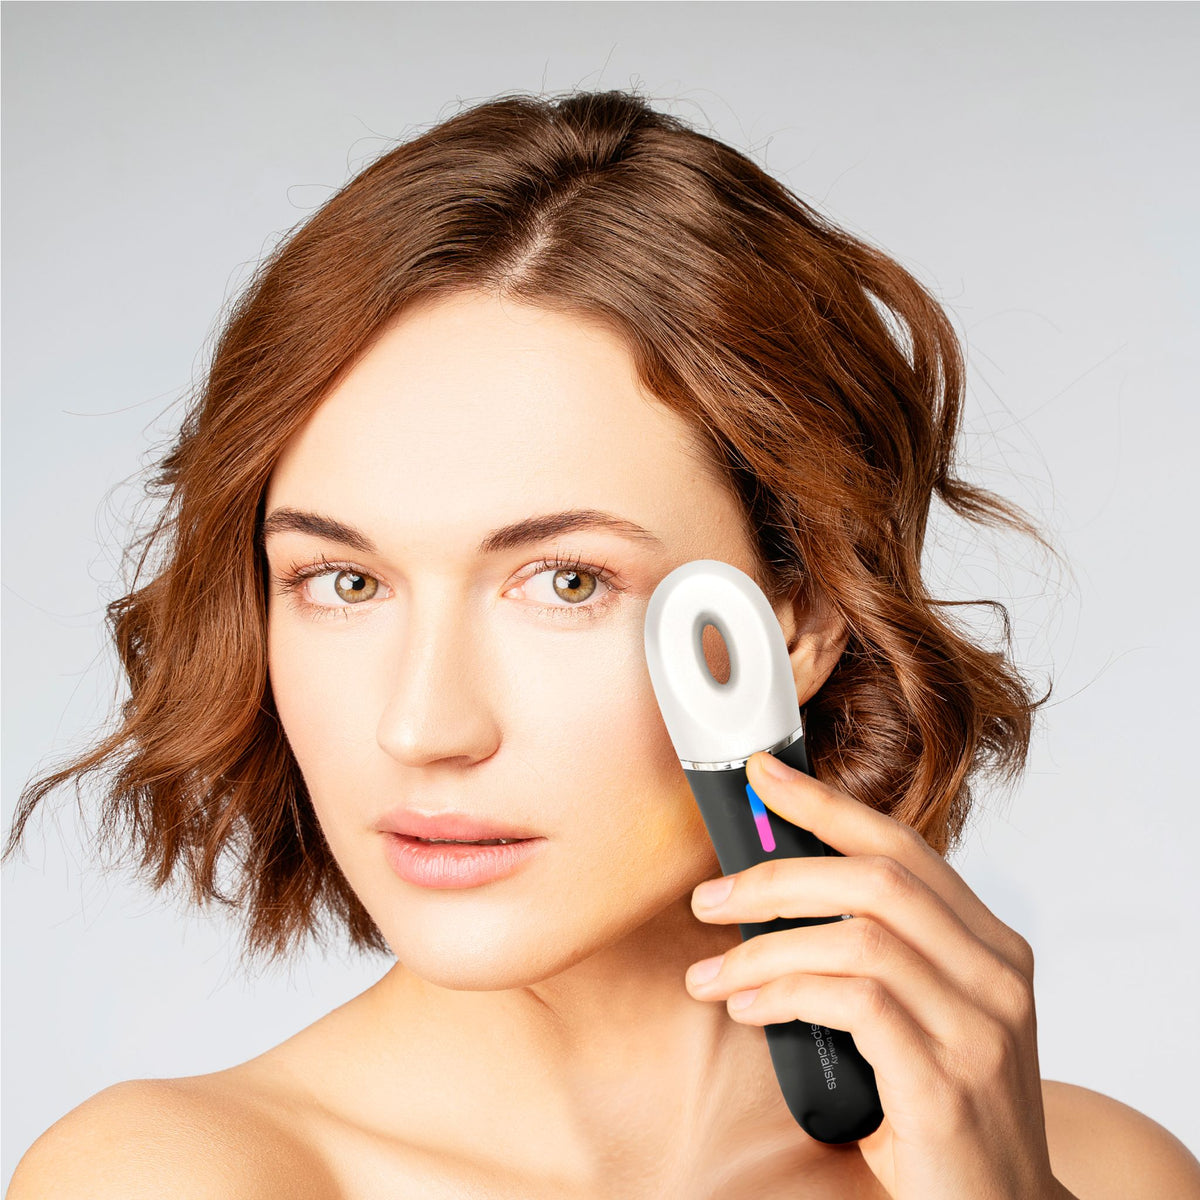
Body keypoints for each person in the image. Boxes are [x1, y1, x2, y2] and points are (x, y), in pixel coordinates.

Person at [5, 88, 1198, 1200]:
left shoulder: (1102, 1171)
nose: (423, 725)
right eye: (344, 579)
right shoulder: (168, 1178)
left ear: (802, 618)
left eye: (567, 581)